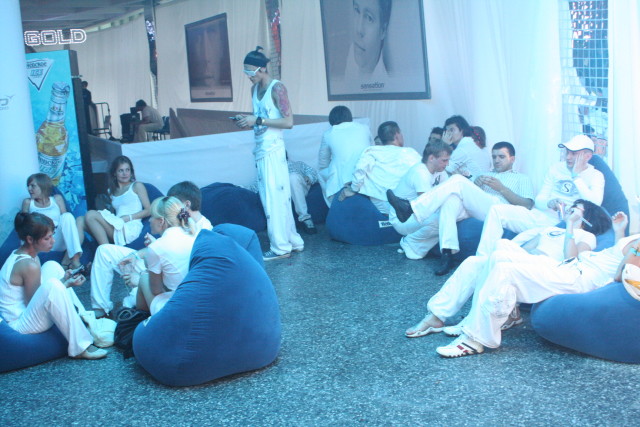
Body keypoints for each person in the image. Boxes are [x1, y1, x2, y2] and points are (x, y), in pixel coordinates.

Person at [435, 211, 634, 358]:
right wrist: (620, 231)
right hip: (571, 267)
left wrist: (636, 250)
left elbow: (620, 275)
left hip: (579, 277)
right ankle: (480, 320)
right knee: (499, 255)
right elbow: (616, 257)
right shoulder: (634, 239)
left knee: (506, 270)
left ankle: (476, 339)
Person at [405, 200, 612, 339]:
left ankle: (473, 320)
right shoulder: (550, 230)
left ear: (587, 218)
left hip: (550, 270)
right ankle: (437, 315)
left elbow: (572, 261)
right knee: (473, 262)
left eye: (576, 209)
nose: (570, 210)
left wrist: (571, 227)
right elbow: (525, 250)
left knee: (501, 248)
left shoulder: (587, 236)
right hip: (527, 264)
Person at [387, 142, 534, 274]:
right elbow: (470, 195)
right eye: (494, 156)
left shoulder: (522, 178)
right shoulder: (484, 174)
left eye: (501, 157)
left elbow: (527, 204)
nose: (496, 160)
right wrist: (476, 184)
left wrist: (501, 188)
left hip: (499, 210)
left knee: (457, 180)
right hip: (476, 207)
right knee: (450, 200)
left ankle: (412, 209)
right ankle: (447, 253)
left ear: (512, 159)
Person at [90, 183, 211, 318]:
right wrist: (137, 255)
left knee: (133, 296)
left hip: (175, 289)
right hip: (163, 271)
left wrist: (141, 277)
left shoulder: (205, 231)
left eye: (172, 203)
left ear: (186, 205)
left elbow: (179, 275)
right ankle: (100, 308)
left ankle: (137, 310)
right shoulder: (179, 228)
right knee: (104, 251)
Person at [475, 134, 605, 256]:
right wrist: (549, 203)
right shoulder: (556, 168)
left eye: (574, 154)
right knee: (497, 211)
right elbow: (538, 201)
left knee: (515, 246)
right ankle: (481, 257)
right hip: (541, 217)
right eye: (567, 152)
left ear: (587, 156)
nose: (568, 157)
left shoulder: (596, 176)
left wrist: (576, 177)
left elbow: (595, 204)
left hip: (564, 225)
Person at [0, 212, 107, 360]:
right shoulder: (28, 265)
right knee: (54, 284)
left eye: (52, 236)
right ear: (30, 239)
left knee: (53, 266)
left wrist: (64, 281)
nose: (53, 241)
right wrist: (65, 285)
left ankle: (85, 321)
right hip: (20, 324)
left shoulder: (24, 254)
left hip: (26, 311)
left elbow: (39, 297)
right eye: (47, 238)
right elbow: (33, 302)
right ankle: (81, 347)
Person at [234, 46, 304, 261]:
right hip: (261, 148)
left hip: (274, 149)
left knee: (276, 197)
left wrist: (257, 120)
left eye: (251, 71)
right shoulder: (254, 90)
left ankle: (280, 247)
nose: (248, 76)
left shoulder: (277, 88)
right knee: (272, 197)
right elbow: (260, 116)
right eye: (245, 72)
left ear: (262, 69)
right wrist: (249, 120)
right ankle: (292, 240)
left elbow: (288, 122)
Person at [339, 121, 421, 214]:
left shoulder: (371, 151)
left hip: (381, 204)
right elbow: (423, 172)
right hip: (406, 204)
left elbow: (360, 170)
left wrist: (354, 188)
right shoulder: (410, 153)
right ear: (397, 135)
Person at [389, 140, 451, 260]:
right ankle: (410, 242)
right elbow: (427, 207)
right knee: (440, 221)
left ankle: (415, 244)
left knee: (448, 215)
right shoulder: (420, 172)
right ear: (431, 158)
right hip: (401, 219)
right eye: (444, 160)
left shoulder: (440, 172)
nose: (447, 164)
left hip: (418, 215)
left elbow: (447, 194)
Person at [135, 197, 197, 315]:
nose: (149, 220)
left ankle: (139, 319)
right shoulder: (194, 235)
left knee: (143, 278)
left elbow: (156, 290)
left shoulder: (157, 247)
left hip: (178, 308)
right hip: (197, 300)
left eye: (152, 216)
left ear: (161, 221)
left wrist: (150, 258)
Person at [77, 156, 151, 246]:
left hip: (130, 227)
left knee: (90, 214)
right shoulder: (111, 191)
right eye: (121, 170)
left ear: (131, 172)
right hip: (117, 225)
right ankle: (74, 255)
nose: (125, 173)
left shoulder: (137, 186)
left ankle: (106, 251)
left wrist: (128, 218)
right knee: (80, 220)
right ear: (115, 173)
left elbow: (148, 210)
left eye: (127, 170)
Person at [22, 173, 83, 270]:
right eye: (28, 186)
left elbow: (66, 222)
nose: (29, 189)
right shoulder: (28, 203)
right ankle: (69, 264)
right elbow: (23, 226)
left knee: (67, 216)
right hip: (41, 240)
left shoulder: (57, 199)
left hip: (57, 239)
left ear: (42, 185)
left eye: (33, 186)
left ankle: (75, 260)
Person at [317, 106, 372, 205]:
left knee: (320, 173)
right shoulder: (365, 128)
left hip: (342, 182)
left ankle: (331, 204)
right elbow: (372, 150)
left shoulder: (328, 134)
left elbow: (323, 163)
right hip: (367, 177)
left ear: (331, 119)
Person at [345, 0, 392, 79]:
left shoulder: (385, 81)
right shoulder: (353, 51)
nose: (359, 29)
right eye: (357, 10)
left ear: (383, 30)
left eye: (369, 18)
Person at [288, 158, 319, 235]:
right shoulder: (270, 169)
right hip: (282, 193)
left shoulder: (298, 164)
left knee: (293, 177)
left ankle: (305, 217)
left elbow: (314, 173)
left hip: (299, 188)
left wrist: (309, 177)